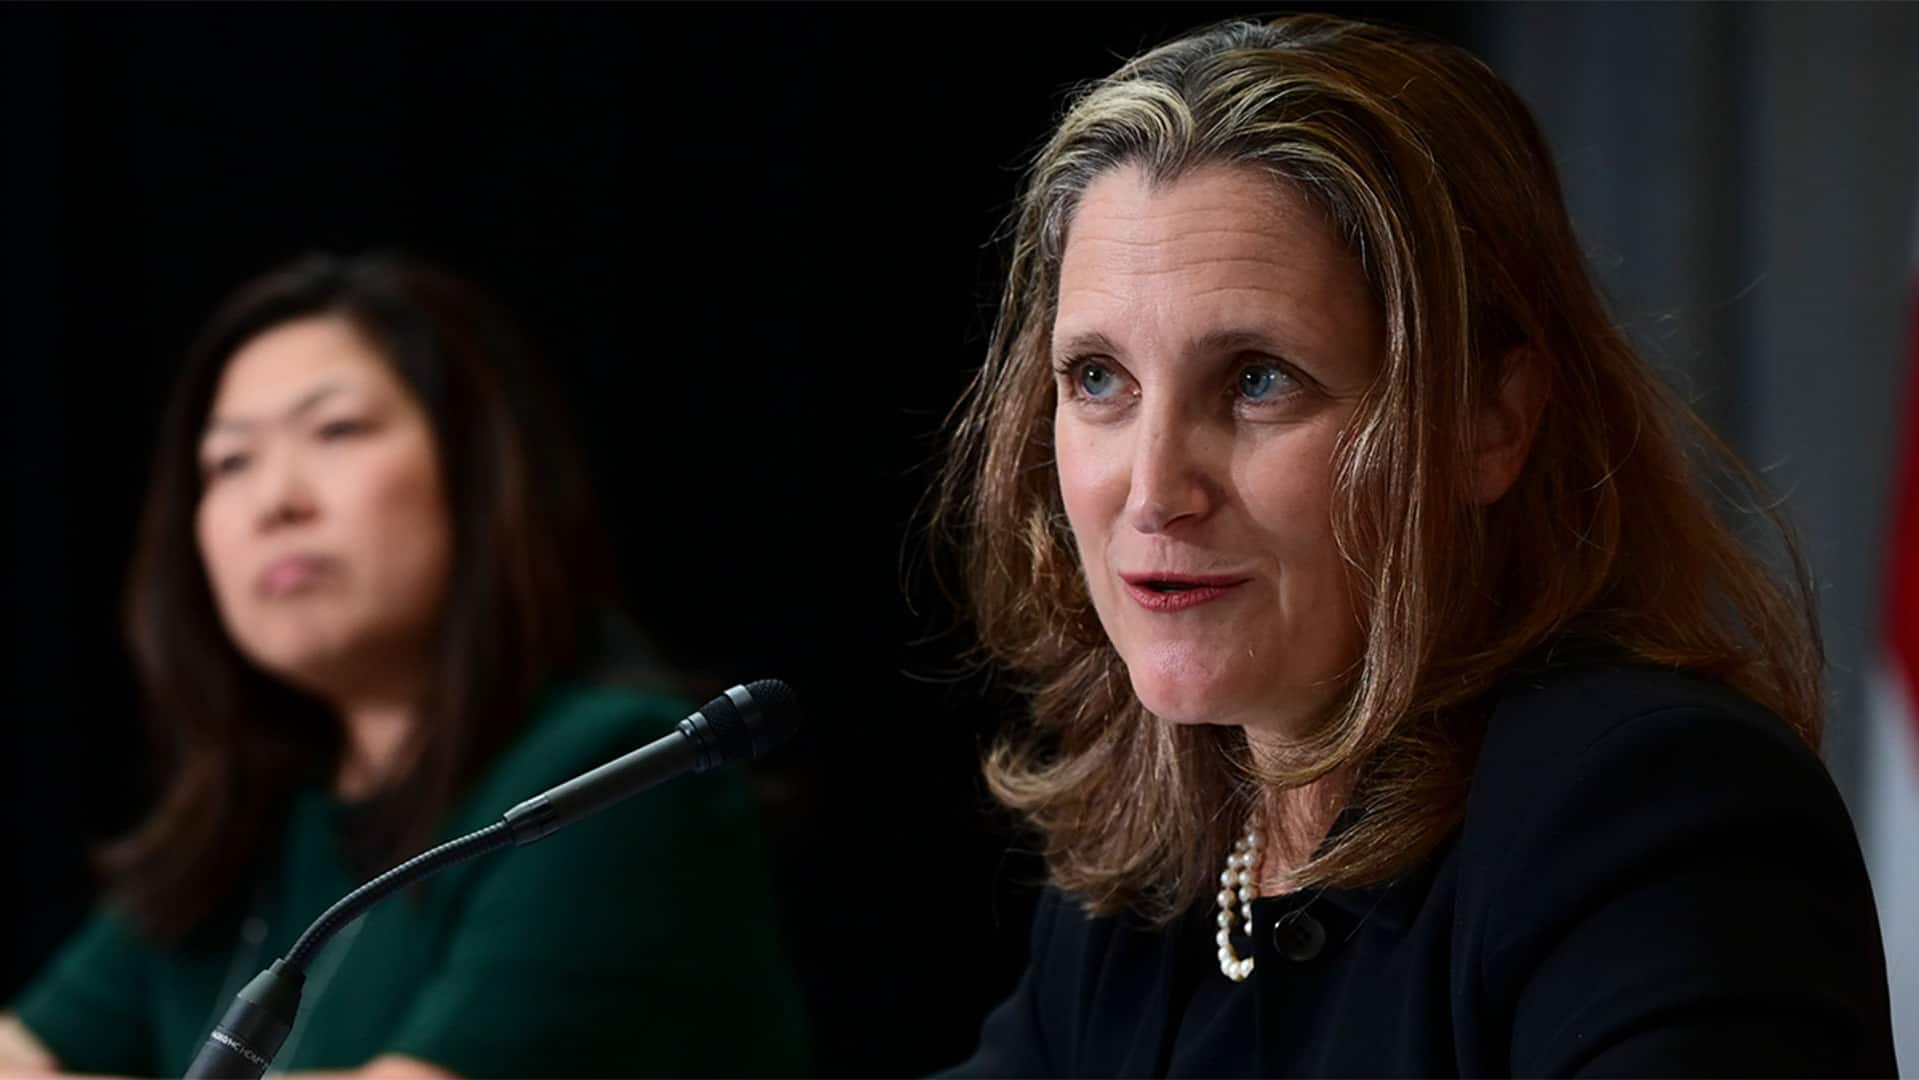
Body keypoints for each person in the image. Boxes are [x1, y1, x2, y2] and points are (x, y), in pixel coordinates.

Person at [932, 14, 1898, 1077]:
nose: (1153, 490)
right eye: (1098, 380)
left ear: (1489, 421)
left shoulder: (1653, 818)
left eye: (1256, 379)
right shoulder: (1151, 872)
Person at [0, 253, 807, 1077]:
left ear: (477, 473)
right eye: (228, 462)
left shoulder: (623, 776)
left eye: (336, 430)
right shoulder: (244, 824)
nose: (274, 499)